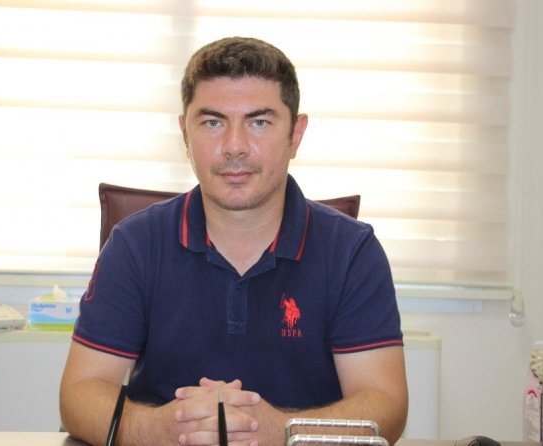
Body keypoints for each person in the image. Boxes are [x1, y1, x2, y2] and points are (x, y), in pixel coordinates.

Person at [60, 36, 408, 446]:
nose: (234, 146)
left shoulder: (351, 250)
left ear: (295, 134)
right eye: (212, 123)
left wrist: (279, 430)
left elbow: (385, 406)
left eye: (259, 122)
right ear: (185, 133)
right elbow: (79, 396)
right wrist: (159, 429)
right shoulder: (135, 243)